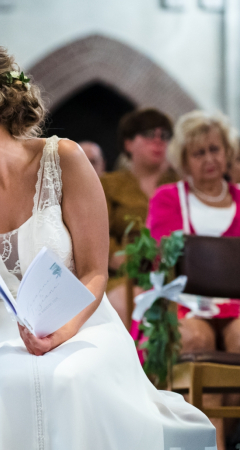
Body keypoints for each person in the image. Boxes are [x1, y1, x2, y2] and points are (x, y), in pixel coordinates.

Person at [0, 42, 218, 450]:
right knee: (4, 379)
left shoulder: (64, 159)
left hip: (82, 320)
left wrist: (63, 330)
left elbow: (96, 271)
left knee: (74, 378)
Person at [147, 111, 240, 450]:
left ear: (227, 152)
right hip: (183, 302)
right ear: (184, 160)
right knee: (196, 339)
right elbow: (159, 262)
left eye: (215, 149)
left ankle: (221, 446)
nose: (210, 159)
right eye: (199, 153)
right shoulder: (168, 198)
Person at [101, 108, 179, 326]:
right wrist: (117, 257)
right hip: (122, 273)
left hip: (172, 273)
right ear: (128, 143)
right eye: (148, 135)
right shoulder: (108, 184)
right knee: (130, 301)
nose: (158, 141)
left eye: (164, 136)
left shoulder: (180, 184)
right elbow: (96, 234)